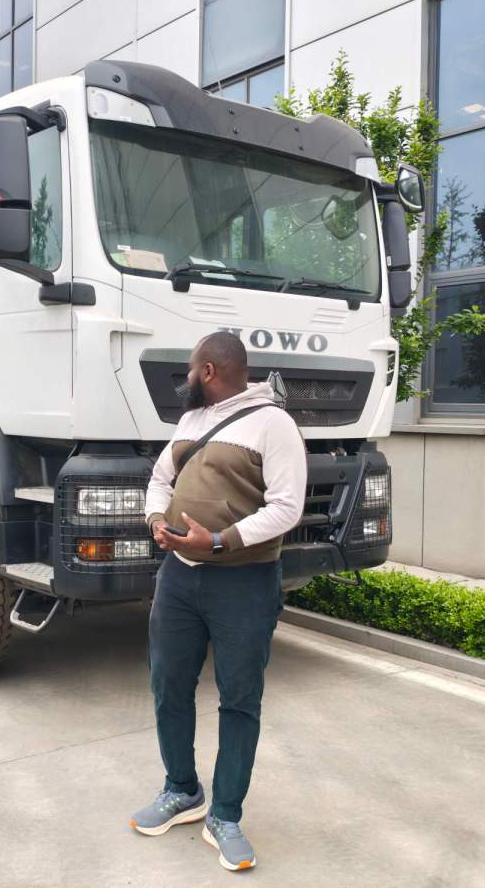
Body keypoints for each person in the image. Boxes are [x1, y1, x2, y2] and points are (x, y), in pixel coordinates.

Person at [129, 331, 306, 872]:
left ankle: (225, 815)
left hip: (244, 583)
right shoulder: (190, 423)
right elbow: (161, 478)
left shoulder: (274, 423)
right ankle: (182, 789)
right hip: (178, 579)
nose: (185, 378)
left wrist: (221, 541)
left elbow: (287, 507)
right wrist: (157, 520)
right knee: (169, 684)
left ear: (208, 371)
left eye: (189, 370)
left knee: (239, 699)